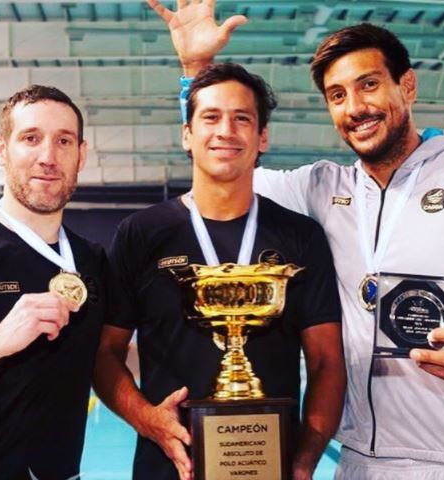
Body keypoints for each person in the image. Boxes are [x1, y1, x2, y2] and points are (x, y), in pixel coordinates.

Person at [147, 1, 444, 479]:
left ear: (407, 85)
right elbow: (224, 165)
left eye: (368, 85)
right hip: (358, 461)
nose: (355, 107)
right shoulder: (320, 189)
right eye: (336, 95)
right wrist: (196, 71)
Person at [94, 63, 346, 480]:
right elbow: (105, 351)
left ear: (262, 137)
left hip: (271, 467)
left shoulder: (300, 236)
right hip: (168, 468)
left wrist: (303, 464)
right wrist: (147, 419)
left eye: (241, 118)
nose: (225, 130)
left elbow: (325, 361)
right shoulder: (141, 234)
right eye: (210, 117)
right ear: (187, 134)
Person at [0, 85, 110, 479]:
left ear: (81, 154)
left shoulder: (93, 260)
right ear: (1, 148)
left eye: (63, 141)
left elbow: (108, 359)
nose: (48, 157)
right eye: (31, 138)